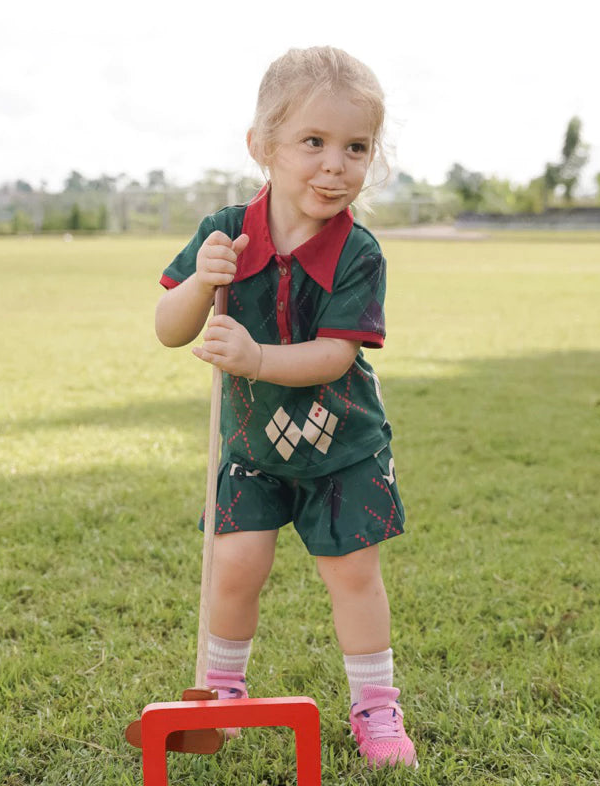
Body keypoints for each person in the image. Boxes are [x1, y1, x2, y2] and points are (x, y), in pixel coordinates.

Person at [154, 46, 416, 770]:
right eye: (314, 142)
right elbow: (169, 328)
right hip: (250, 447)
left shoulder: (358, 252)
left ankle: (375, 709)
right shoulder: (227, 229)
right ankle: (223, 694)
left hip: (344, 449)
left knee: (353, 575)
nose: (335, 164)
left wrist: (258, 360)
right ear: (262, 146)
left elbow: (335, 356)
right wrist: (197, 286)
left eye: (355, 147)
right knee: (234, 566)